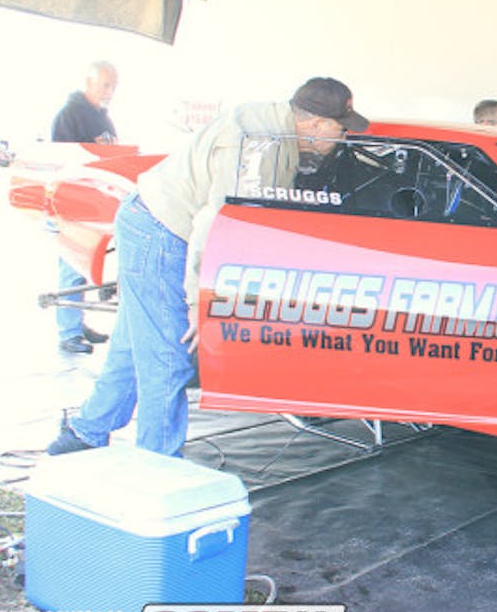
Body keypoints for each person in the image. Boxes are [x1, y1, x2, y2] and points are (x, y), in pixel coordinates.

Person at [47, 77, 369, 457]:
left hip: (157, 221)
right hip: (161, 228)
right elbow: (212, 225)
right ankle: (158, 464)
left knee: (136, 343)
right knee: (169, 356)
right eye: (340, 127)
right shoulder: (257, 146)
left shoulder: (277, 128)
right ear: (314, 125)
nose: (345, 136)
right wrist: (199, 300)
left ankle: (85, 432)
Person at [50, 61, 120, 354]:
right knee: (72, 263)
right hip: (73, 203)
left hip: (95, 204)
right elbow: (66, 160)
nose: (110, 92)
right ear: (89, 82)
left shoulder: (103, 119)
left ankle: (77, 324)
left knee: (86, 265)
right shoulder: (69, 116)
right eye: (105, 85)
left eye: (113, 86)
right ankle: (68, 332)